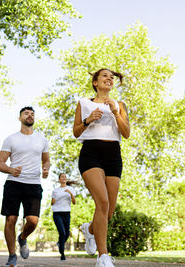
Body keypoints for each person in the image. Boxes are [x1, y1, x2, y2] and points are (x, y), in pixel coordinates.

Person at [73, 68, 130, 267]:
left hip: (113, 154)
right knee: (102, 202)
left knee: (109, 211)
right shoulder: (84, 102)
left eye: (111, 77)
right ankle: (102, 257)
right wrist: (88, 120)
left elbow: (126, 133)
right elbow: (76, 132)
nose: (109, 79)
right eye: (105, 76)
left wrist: (115, 111)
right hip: (91, 153)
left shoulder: (120, 104)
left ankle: (89, 230)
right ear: (95, 82)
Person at [0, 106, 50, 267]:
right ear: (19, 118)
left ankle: (22, 237)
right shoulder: (11, 139)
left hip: (33, 184)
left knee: (33, 221)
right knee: (11, 218)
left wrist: (46, 168)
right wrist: (11, 170)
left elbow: (46, 160)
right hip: (14, 183)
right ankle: (12, 255)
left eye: (32, 114)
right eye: (26, 113)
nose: (30, 115)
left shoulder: (42, 139)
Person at [51, 173, 76, 261]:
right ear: (59, 179)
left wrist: (70, 193)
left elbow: (74, 202)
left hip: (66, 213)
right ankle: (62, 253)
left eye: (65, 177)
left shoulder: (71, 189)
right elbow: (52, 202)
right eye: (62, 177)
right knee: (62, 232)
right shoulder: (55, 190)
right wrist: (53, 201)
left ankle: (59, 243)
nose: (64, 178)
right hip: (57, 213)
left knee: (67, 233)